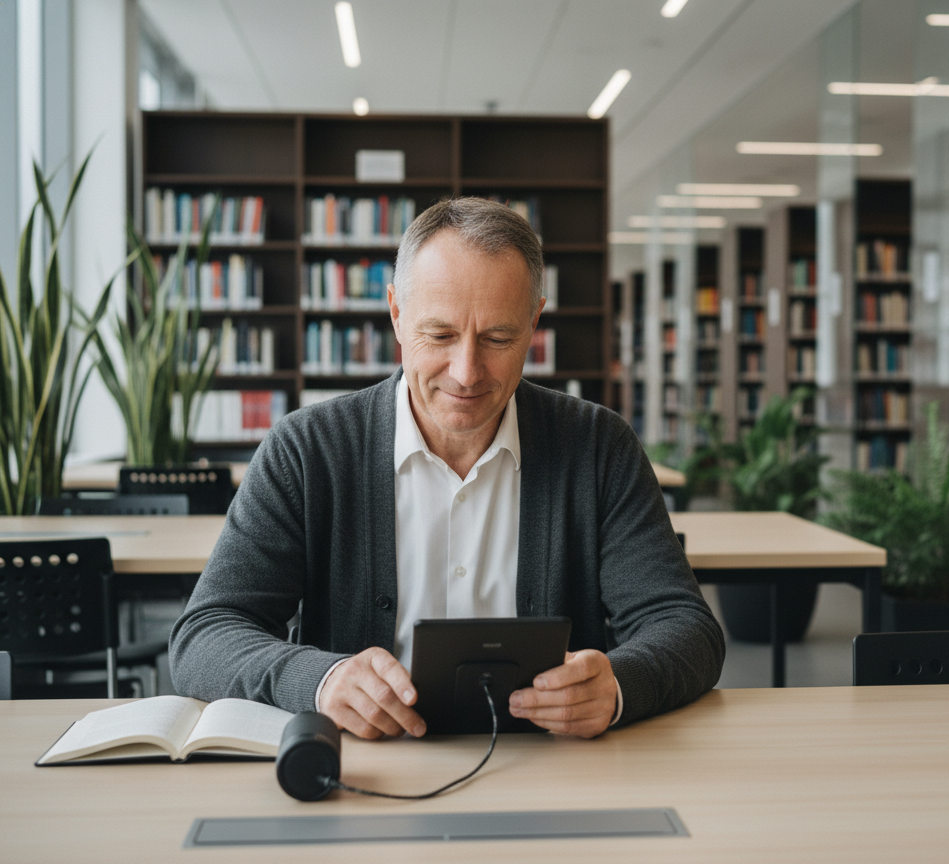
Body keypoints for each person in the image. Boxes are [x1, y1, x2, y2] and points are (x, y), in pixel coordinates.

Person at [169, 197, 724, 740]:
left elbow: (686, 627)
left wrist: (620, 683)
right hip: (364, 772)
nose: (466, 372)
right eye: (439, 335)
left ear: (534, 322)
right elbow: (206, 635)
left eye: (498, 338)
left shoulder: (600, 447)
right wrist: (320, 680)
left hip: (557, 771)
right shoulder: (306, 450)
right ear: (395, 314)